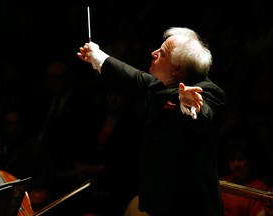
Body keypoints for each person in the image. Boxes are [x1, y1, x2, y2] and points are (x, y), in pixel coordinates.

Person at [77, 27, 226, 216]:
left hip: (192, 206)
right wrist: (96, 55)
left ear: (177, 68)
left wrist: (190, 107)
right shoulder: (160, 84)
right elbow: (131, 76)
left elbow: (204, 115)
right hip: (161, 202)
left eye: (162, 53)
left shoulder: (208, 92)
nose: (153, 53)